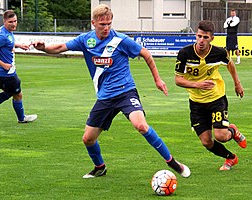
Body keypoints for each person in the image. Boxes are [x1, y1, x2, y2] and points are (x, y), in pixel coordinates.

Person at [32, 4, 191, 178]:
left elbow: (146, 54)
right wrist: (44, 48)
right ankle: (100, 167)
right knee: (88, 139)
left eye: (109, 23)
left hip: (126, 92)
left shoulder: (120, 40)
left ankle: (173, 162)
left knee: (141, 125)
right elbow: (61, 48)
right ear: (93, 23)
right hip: (105, 98)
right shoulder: (86, 40)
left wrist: (157, 80)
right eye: (102, 24)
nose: (106, 27)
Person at [175, 20, 246, 171]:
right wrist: (197, 85)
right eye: (199, 36)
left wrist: (237, 83)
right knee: (206, 141)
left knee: (221, 136)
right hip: (196, 102)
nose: (201, 40)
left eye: (205, 37)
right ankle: (231, 158)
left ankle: (232, 131)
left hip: (216, 98)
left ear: (211, 38)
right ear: (196, 35)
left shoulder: (219, 53)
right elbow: (178, 80)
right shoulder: (184, 54)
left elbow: (230, 64)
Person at [0, 10, 37, 123]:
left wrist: (19, 45)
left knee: (15, 93)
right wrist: (3, 64)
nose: (14, 24)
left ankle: (21, 117)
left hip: (3, 72)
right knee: (14, 94)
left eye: (15, 21)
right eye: (10, 22)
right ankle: (22, 118)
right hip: (6, 73)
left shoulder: (7, 32)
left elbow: (7, 44)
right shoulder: (2, 36)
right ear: (4, 21)